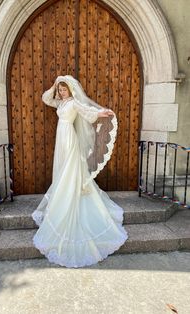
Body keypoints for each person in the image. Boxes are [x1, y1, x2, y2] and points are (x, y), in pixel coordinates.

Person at [32, 75, 128, 268]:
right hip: (61, 138)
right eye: (60, 89)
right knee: (62, 171)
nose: (61, 92)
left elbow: (88, 111)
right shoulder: (60, 102)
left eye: (63, 89)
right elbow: (45, 99)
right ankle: (65, 194)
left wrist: (102, 112)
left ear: (70, 89)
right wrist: (53, 86)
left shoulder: (74, 103)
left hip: (70, 140)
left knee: (71, 170)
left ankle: (71, 197)